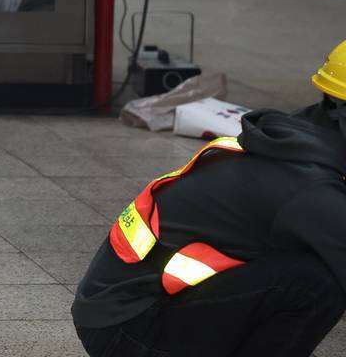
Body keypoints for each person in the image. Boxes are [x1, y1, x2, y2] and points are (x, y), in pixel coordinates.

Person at [72, 39, 346, 357]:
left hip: (120, 307)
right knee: (315, 284)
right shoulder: (309, 187)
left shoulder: (300, 137)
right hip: (127, 329)